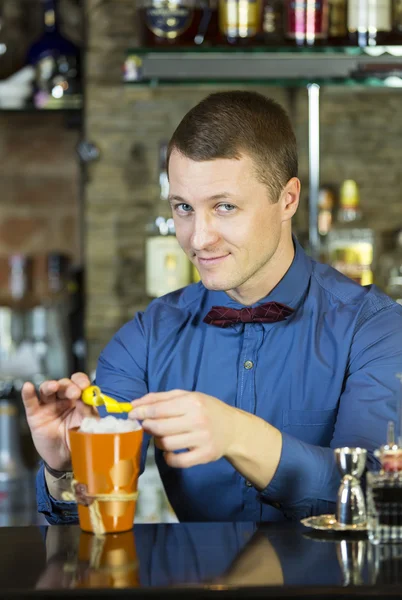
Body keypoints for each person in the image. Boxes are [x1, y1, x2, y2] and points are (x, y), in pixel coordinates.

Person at [22, 91, 402, 525]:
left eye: (224, 207)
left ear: (288, 200)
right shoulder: (146, 338)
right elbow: (95, 532)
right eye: (184, 207)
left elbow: (377, 501)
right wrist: (67, 466)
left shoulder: (374, 329)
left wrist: (239, 435)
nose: (199, 238)